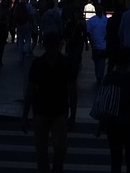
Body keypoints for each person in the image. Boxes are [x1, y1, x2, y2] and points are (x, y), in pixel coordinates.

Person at [23, 30, 77, 173]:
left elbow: (30, 90)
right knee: (58, 149)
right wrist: (73, 114)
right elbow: (72, 90)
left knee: (43, 150)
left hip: (42, 109)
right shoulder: (66, 63)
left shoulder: (38, 63)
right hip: (58, 110)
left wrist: (25, 114)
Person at [96, 48, 130, 173]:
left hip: (113, 122)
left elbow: (102, 101)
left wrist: (100, 125)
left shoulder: (109, 77)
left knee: (115, 159)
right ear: (128, 61)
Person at [86, 4, 110, 82]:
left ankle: (100, 75)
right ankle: (98, 75)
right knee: (97, 62)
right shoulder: (92, 20)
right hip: (95, 45)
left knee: (101, 62)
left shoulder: (105, 20)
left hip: (103, 45)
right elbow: (88, 33)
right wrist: (91, 43)